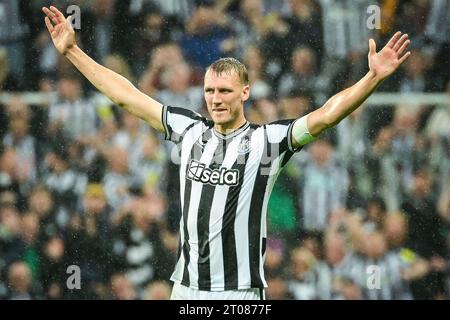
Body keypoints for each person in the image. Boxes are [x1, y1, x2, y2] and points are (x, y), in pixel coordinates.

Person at [42, 5, 411, 300]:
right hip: (186, 288)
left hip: (238, 293)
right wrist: (74, 52)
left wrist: (373, 78)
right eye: (210, 91)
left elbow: (326, 116)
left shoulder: (268, 141)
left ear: (245, 92)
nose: (216, 100)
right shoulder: (188, 130)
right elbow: (126, 96)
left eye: (225, 92)